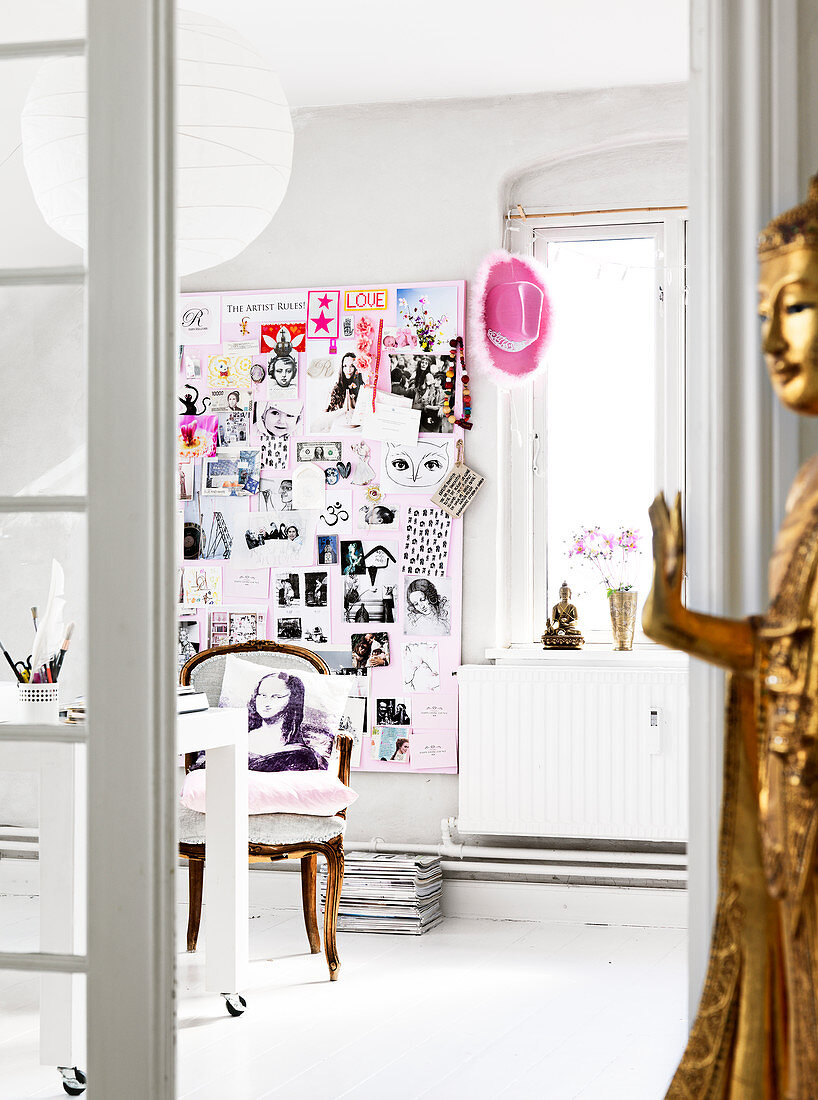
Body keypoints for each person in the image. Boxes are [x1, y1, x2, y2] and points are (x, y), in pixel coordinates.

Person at [645, 176, 818, 1095]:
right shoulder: (807, 494)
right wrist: (674, 621)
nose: (769, 340)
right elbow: (788, 652)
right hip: (793, 809)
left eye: (795, 306)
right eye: (762, 311)